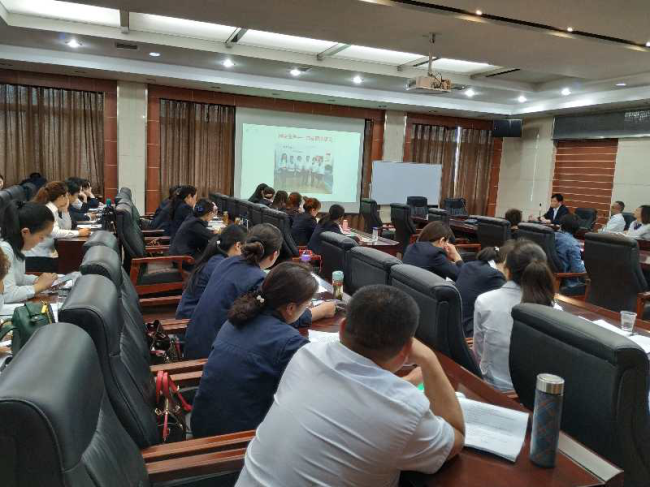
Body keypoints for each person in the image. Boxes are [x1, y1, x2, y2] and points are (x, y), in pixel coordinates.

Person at [236, 285, 465, 487]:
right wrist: (429, 359)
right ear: (406, 350)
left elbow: (356, 396)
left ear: (343, 327)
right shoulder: (405, 408)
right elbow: (455, 438)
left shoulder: (307, 355)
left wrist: (409, 381)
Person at [192, 262, 317, 437]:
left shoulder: (235, 320)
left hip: (202, 424)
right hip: (235, 440)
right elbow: (311, 395)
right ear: (290, 308)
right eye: (307, 305)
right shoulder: (289, 343)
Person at [185, 223, 335, 359]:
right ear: (274, 255)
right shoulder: (257, 280)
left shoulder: (227, 262)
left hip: (195, 342)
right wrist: (321, 311)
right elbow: (280, 316)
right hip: (212, 354)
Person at [473, 240, 555, 391]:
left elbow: (478, 352)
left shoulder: (484, 301)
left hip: (492, 388)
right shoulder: (554, 310)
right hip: (534, 392)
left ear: (507, 270)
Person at [175, 225, 247, 319]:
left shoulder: (217, 259)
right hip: (192, 319)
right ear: (238, 246)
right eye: (247, 248)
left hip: (191, 312)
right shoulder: (222, 266)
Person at [25, 182, 90, 272]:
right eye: (66, 196)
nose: (68, 199)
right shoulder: (48, 209)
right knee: (69, 264)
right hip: (36, 257)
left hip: (44, 253)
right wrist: (78, 233)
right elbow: (55, 232)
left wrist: (65, 210)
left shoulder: (52, 208)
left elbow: (66, 228)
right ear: (61, 197)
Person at [0, 202, 57, 303]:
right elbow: (8, 294)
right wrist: (40, 286)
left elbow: (18, 278)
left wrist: (37, 280)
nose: (42, 241)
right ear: (25, 232)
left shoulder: (17, 246)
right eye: (41, 236)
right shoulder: (4, 249)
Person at [455, 244, 511, 336]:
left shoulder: (470, 265)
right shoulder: (494, 275)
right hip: (471, 333)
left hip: (457, 324)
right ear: (506, 262)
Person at [555, 213, 586, 290]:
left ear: (561, 224)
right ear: (577, 229)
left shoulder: (551, 236)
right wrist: (588, 269)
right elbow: (577, 270)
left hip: (549, 278)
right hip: (566, 282)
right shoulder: (573, 243)